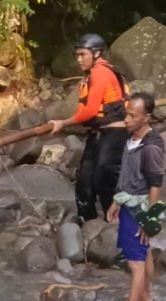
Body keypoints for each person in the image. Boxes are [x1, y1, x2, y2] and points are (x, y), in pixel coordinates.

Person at [101, 93, 166, 301]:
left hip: (139, 210)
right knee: (144, 251)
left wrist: (148, 220)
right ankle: (145, 294)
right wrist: (117, 200)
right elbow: (127, 174)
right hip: (127, 202)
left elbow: (156, 185)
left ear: (146, 118)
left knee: (135, 263)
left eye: (132, 116)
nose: (127, 120)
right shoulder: (132, 138)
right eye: (126, 114)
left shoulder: (151, 147)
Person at [47, 33, 129, 223]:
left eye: (83, 54)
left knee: (104, 178)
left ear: (96, 53)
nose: (79, 59)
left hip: (113, 134)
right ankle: (87, 220)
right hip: (97, 134)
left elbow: (90, 111)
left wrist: (62, 123)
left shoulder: (101, 72)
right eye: (77, 55)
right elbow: (87, 112)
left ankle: (114, 222)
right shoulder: (91, 75)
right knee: (85, 179)